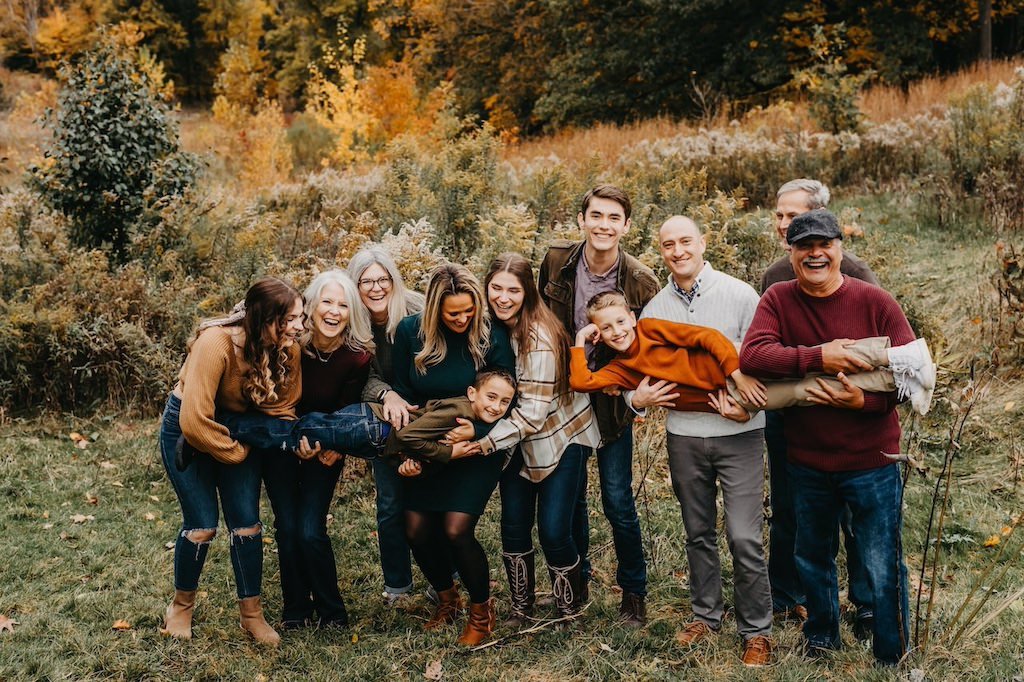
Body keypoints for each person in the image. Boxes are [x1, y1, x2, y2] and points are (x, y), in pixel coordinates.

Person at [740, 208, 915, 665]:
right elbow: (755, 356)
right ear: (791, 252)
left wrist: (865, 403)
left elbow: (911, 372)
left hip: (872, 459)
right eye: (804, 246)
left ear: (840, 247)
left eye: (824, 244)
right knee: (812, 558)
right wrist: (820, 356)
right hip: (808, 460)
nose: (815, 253)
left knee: (881, 559)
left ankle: (891, 652)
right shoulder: (778, 298)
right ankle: (821, 639)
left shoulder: (876, 302)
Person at [623, 216, 773, 666]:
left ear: (702, 243)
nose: (678, 251)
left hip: (741, 435)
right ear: (661, 251)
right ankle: (706, 616)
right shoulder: (654, 311)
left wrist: (751, 408)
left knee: (745, 536)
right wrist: (638, 398)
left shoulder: (740, 294)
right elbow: (633, 374)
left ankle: (757, 630)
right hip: (684, 437)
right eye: (668, 244)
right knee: (697, 532)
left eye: (685, 241)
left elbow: (763, 360)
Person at [443, 253, 602, 625]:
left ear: (527, 291)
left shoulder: (539, 336)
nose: (503, 297)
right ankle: (521, 606)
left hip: (561, 435)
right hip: (515, 439)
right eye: (495, 288)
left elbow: (532, 413)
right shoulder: (491, 329)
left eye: (513, 290)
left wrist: (483, 442)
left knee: (553, 528)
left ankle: (569, 606)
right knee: (513, 524)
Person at [158, 277, 305, 647]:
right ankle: (181, 607)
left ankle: (252, 615)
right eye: (290, 319)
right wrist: (238, 453)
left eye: (300, 318)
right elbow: (194, 421)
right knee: (203, 525)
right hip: (188, 429)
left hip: (238, 427)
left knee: (247, 524)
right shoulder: (216, 343)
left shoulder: (287, 348)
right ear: (263, 319)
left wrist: (257, 431)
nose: (299, 327)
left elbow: (284, 405)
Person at [761, 179, 880, 635]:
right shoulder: (775, 276)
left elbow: (877, 349)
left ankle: (866, 601)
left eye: (791, 216)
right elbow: (764, 347)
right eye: (778, 216)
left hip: (844, 410)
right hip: (790, 411)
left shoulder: (856, 271)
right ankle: (791, 595)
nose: (783, 224)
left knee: (852, 512)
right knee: (790, 505)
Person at [537, 185, 660, 625]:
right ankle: (578, 580)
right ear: (582, 220)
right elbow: (542, 325)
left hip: (612, 403)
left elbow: (651, 348)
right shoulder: (555, 262)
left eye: (614, 218)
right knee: (570, 500)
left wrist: (630, 390)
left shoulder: (642, 281)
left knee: (617, 500)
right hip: (567, 398)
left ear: (626, 226)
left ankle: (634, 592)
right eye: (596, 216)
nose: (604, 225)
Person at [391, 263, 516, 646]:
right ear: (434, 311)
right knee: (414, 527)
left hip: (477, 446)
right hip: (428, 445)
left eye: (469, 311)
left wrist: (477, 433)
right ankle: (447, 599)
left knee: (455, 529)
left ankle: (482, 611)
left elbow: (507, 399)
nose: (463, 319)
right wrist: (408, 453)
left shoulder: (490, 335)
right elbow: (403, 392)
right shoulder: (410, 333)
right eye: (453, 313)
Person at [570, 291, 934, 416]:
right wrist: (579, 339)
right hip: (732, 396)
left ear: (631, 318)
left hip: (737, 362)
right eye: (605, 329)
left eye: (620, 322)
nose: (616, 332)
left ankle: (899, 357)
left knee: (812, 357)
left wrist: (737, 372)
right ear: (598, 335)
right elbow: (581, 381)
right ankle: (896, 384)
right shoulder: (621, 372)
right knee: (807, 391)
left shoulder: (650, 329)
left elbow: (708, 337)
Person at [262, 269, 373, 630]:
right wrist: (292, 441)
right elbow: (273, 399)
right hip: (280, 446)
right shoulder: (290, 346)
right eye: (327, 301)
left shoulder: (357, 358)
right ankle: (295, 608)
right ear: (310, 305)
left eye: (343, 305)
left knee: (310, 530)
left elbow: (349, 413)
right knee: (287, 529)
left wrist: (334, 447)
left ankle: (332, 611)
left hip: (326, 452)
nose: (334, 311)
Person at [348, 248, 425, 604]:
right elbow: (357, 377)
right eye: (367, 282)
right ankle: (398, 585)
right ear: (356, 286)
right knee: (391, 502)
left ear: (394, 280)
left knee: (432, 499)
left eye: (383, 279)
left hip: (427, 413)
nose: (376, 288)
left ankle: (447, 578)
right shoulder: (351, 322)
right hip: (384, 418)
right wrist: (387, 395)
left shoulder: (418, 310)